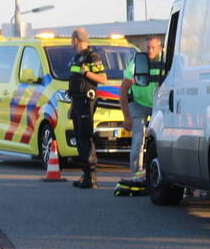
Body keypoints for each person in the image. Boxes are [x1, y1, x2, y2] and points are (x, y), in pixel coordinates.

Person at [115, 36, 163, 194]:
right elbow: (122, 90)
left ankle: (160, 173)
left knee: (161, 140)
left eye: (153, 47)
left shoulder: (165, 61)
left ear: (160, 48)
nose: (150, 50)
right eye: (148, 47)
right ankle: (136, 174)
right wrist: (126, 117)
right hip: (138, 104)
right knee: (138, 140)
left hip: (157, 105)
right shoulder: (137, 63)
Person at [67, 27, 107, 188]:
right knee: (79, 138)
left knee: (85, 138)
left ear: (77, 39)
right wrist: (71, 106)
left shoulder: (92, 57)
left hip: (86, 102)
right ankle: (85, 175)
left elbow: (103, 79)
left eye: (72, 38)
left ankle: (92, 177)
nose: (71, 41)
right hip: (76, 102)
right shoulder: (77, 58)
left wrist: (86, 74)